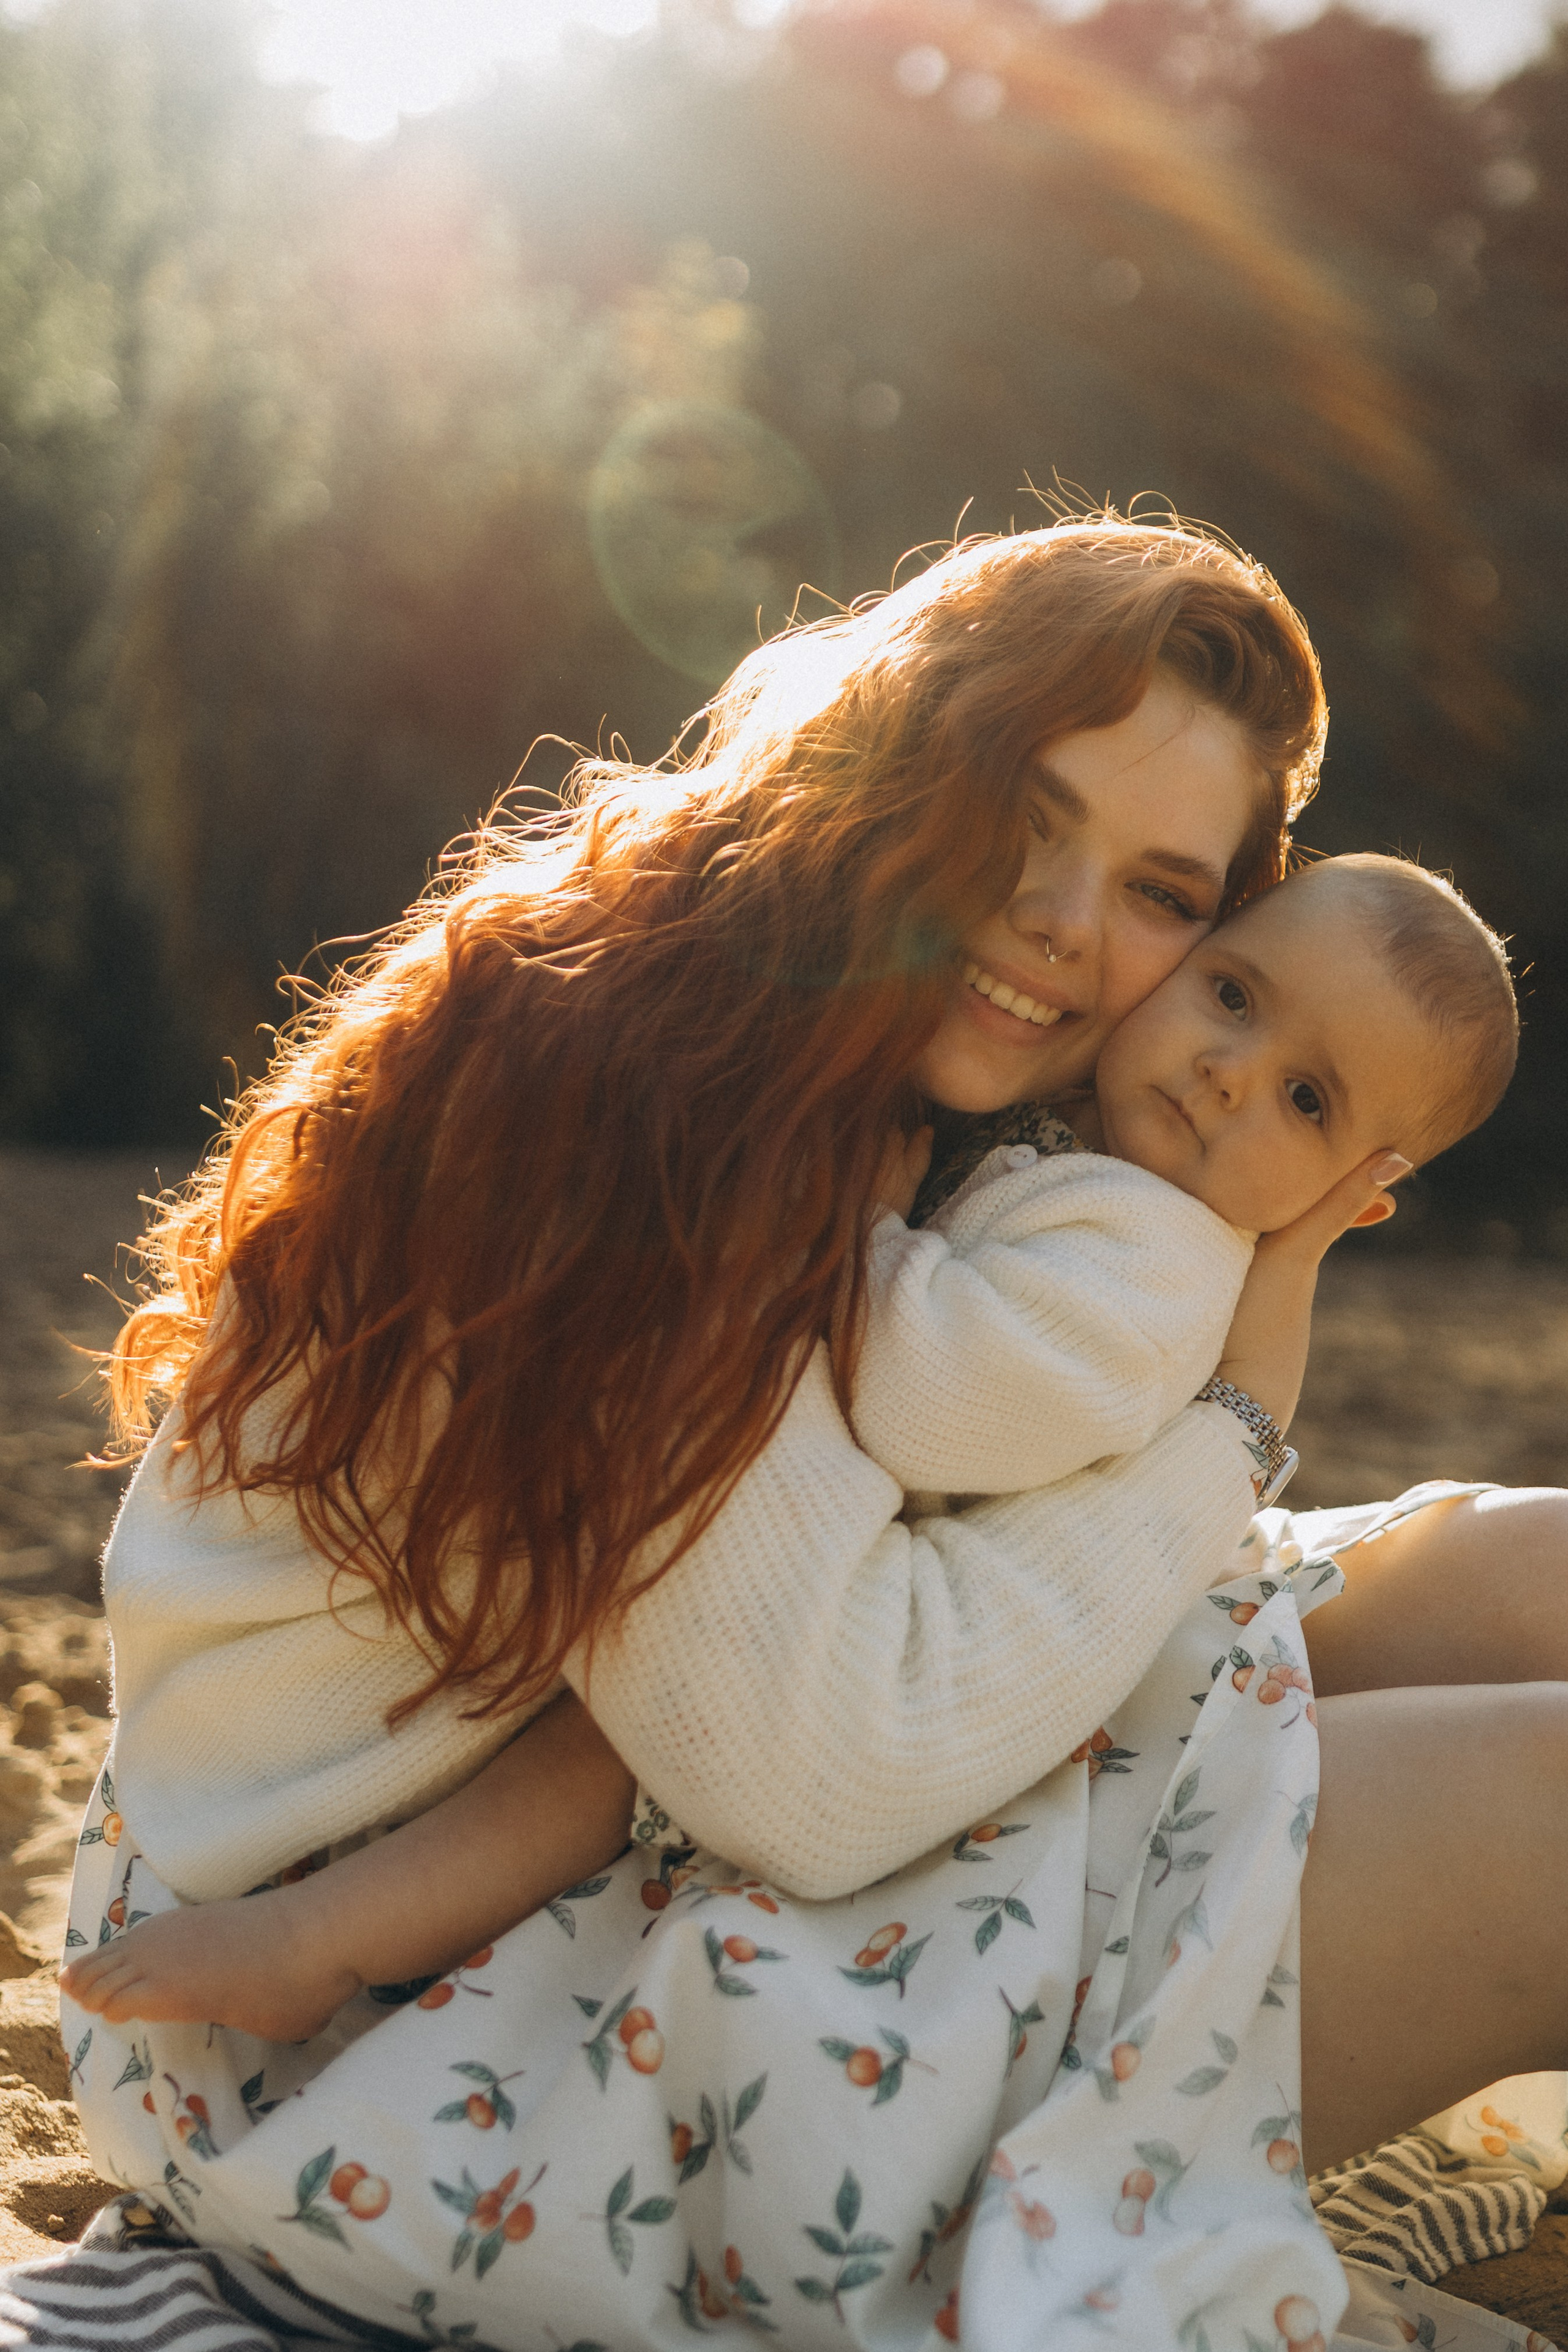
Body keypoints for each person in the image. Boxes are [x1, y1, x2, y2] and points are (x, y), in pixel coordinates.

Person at [28, 520, 1555, 2352]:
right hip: (407, 1999)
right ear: (910, 739)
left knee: (1539, 1578)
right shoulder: (658, 1101)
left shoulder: (882, 1058)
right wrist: (1237, 1423)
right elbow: (827, 1777)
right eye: (1029, 812)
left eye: (1159, 891)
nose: (1067, 927)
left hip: (641, 1783)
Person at [58, 852, 1518, 2043]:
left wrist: (844, 1217)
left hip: (896, 1626)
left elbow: (929, 1396)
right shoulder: (1078, 1147)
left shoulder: (1157, 1260)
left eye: (1305, 1100)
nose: (1228, 1074)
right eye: (1231, 997)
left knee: (582, 1768)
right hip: (869, 1576)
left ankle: (323, 1942)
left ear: (1351, 1197)